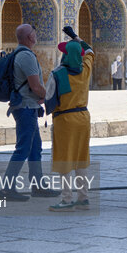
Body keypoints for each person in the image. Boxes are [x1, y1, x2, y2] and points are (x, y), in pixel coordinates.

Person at [0, 24, 59, 201]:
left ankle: (38, 185)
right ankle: (6, 189)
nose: (36, 35)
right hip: (25, 108)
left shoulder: (21, 53)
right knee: (23, 148)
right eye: (34, 32)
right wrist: (50, 97)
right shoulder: (26, 56)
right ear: (29, 37)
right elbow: (35, 86)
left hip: (28, 107)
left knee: (34, 149)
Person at [48, 29, 95, 211]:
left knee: (64, 159)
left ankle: (66, 199)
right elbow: (90, 51)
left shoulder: (57, 74)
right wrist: (77, 37)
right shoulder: (86, 69)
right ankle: (83, 198)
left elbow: (49, 98)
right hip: (83, 117)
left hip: (64, 119)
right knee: (81, 158)